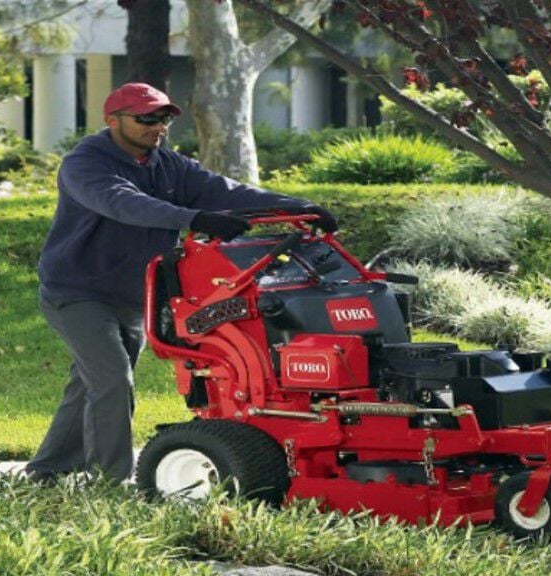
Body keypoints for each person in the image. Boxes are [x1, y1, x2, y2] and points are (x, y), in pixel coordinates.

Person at [25, 82, 337, 484]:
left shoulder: (167, 164)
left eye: (164, 119)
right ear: (113, 120)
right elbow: (122, 202)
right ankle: (110, 481)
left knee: (91, 383)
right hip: (77, 292)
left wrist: (301, 208)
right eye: (146, 118)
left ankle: (49, 470)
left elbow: (225, 191)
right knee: (111, 379)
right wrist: (193, 219)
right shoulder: (86, 163)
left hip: (135, 295)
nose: (157, 127)